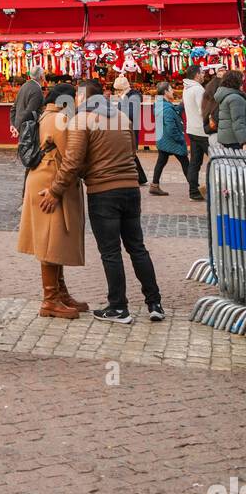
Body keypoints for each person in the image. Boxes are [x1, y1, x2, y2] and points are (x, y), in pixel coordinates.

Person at [41, 78, 163, 324]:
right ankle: (154, 302)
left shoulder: (82, 120)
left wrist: (55, 191)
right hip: (130, 189)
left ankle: (118, 307)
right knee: (137, 247)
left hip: (103, 192)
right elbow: (131, 150)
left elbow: (73, 162)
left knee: (110, 252)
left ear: (83, 97)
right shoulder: (122, 117)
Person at [17, 83, 87, 318]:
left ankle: (59, 293)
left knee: (54, 240)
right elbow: (71, 154)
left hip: (44, 178)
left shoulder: (47, 116)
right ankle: (50, 300)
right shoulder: (60, 119)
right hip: (49, 182)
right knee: (51, 239)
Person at [150, 81, 189, 195]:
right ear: (166, 92)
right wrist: (180, 139)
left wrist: (181, 106)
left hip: (163, 139)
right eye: (171, 89)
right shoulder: (166, 108)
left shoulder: (161, 104)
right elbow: (171, 127)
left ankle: (154, 185)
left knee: (161, 161)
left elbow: (173, 111)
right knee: (185, 162)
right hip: (171, 140)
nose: (173, 91)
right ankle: (194, 188)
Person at [112, 73, 147, 185]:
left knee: (130, 154)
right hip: (126, 128)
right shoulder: (127, 97)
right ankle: (140, 178)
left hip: (130, 129)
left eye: (118, 90)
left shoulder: (134, 97)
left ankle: (139, 178)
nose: (116, 92)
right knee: (130, 154)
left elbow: (131, 113)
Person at [181, 65, 209, 201]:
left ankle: (193, 191)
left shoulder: (186, 88)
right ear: (197, 74)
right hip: (202, 131)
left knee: (194, 162)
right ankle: (214, 187)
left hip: (192, 129)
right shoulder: (198, 89)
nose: (204, 75)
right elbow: (202, 110)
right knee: (216, 158)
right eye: (202, 73)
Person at [10, 66, 45, 139]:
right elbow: (29, 111)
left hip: (22, 128)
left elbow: (14, 108)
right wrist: (17, 127)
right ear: (41, 77)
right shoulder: (37, 90)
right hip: (29, 129)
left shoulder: (24, 86)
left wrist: (13, 125)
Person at [214, 70, 246, 146]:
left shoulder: (226, 95)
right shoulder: (235, 98)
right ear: (236, 82)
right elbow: (238, 122)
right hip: (235, 139)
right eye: (241, 80)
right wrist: (244, 142)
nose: (243, 83)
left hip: (226, 138)